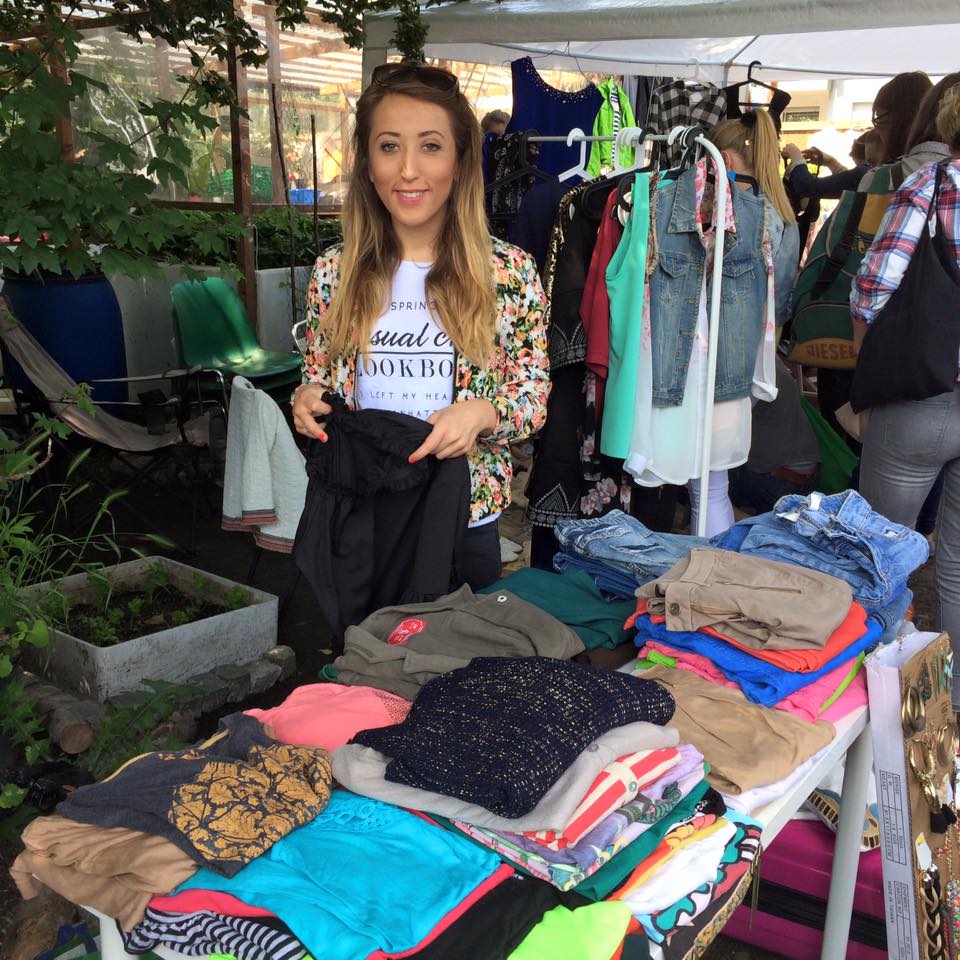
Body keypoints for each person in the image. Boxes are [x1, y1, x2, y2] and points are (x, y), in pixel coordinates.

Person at [293, 63, 550, 591]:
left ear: (459, 161)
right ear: (367, 163)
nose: (408, 169)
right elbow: (317, 375)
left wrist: (483, 413)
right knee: (363, 643)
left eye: (430, 146)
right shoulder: (334, 273)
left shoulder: (508, 273)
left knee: (455, 644)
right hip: (362, 510)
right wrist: (307, 397)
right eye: (389, 146)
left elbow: (533, 396)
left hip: (462, 514)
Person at [853, 82, 960, 709]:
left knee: (880, 558)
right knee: (956, 569)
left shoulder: (930, 184)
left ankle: (876, 710)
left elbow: (874, 287)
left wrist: (867, 373)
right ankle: (949, 715)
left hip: (921, 394)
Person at [680, 109, 800, 536]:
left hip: (711, 356)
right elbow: (780, 300)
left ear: (724, 160)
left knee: (707, 485)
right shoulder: (783, 215)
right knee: (714, 481)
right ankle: (715, 560)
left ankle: (710, 565)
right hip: (753, 358)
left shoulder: (722, 212)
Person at [729, 356, 820, 513]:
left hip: (779, 480)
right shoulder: (768, 358)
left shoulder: (746, 371)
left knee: (709, 482)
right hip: (802, 475)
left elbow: (725, 425)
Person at [857, 71, 933, 190]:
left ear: (898, 121)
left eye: (879, 118)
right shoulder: (954, 169)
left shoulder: (880, 179)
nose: (877, 130)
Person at [780, 130, 880, 201]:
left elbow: (808, 187)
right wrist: (831, 162)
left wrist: (796, 157)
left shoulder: (866, 173)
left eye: (857, 165)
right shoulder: (879, 176)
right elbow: (849, 183)